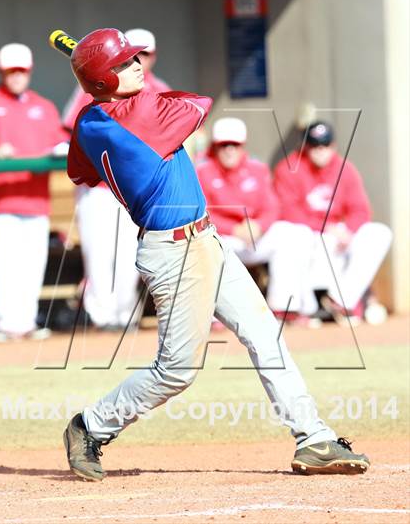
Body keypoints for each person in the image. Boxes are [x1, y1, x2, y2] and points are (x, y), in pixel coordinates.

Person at [62, 28, 369, 481]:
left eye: (137, 59)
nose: (138, 65)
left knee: (266, 334)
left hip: (206, 240)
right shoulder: (142, 114)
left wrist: (103, 88)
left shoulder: (89, 123)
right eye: (125, 64)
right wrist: (125, 93)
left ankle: (312, 436)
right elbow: (197, 103)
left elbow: (79, 170)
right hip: (174, 251)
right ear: (103, 81)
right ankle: (90, 426)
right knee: (176, 371)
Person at [62, 29, 171, 330]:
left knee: (129, 255)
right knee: (99, 254)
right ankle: (101, 318)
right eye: (131, 55)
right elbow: (73, 127)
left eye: (144, 54)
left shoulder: (157, 88)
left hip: (132, 187)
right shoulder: (94, 82)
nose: (138, 61)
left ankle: (124, 317)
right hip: (98, 186)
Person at [197, 117, 319, 325]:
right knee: (200, 243)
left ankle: (283, 307)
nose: (229, 150)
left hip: (255, 234)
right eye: (223, 145)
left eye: (234, 145)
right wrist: (233, 228)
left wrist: (259, 225)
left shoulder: (257, 168)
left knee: (297, 234)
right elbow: (199, 211)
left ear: (242, 145)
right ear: (215, 146)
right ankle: (215, 314)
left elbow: (272, 206)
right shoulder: (201, 170)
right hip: (223, 236)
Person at [273, 121, 392, 322]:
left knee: (379, 232)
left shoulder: (344, 168)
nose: (320, 150)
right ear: (305, 146)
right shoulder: (289, 167)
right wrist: (326, 227)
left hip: (338, 234)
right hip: (308, 234)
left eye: (325, 144)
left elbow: (360, 209)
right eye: (315, 144)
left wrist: (349, 231)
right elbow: (287, 211)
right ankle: (302, 309)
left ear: (333, 146)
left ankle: (342, 301)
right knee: (292, 234)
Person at [0, 43, 67, 341]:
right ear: (1, 71)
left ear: (30, 70)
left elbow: (60, 144)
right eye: (11, 71)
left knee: (33, 264)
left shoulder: (44, 106)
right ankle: (7, 323)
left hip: (36, 201)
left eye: (21, 70)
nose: (17, 76)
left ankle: (26, 322)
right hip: (2, 201)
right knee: (6, 264)